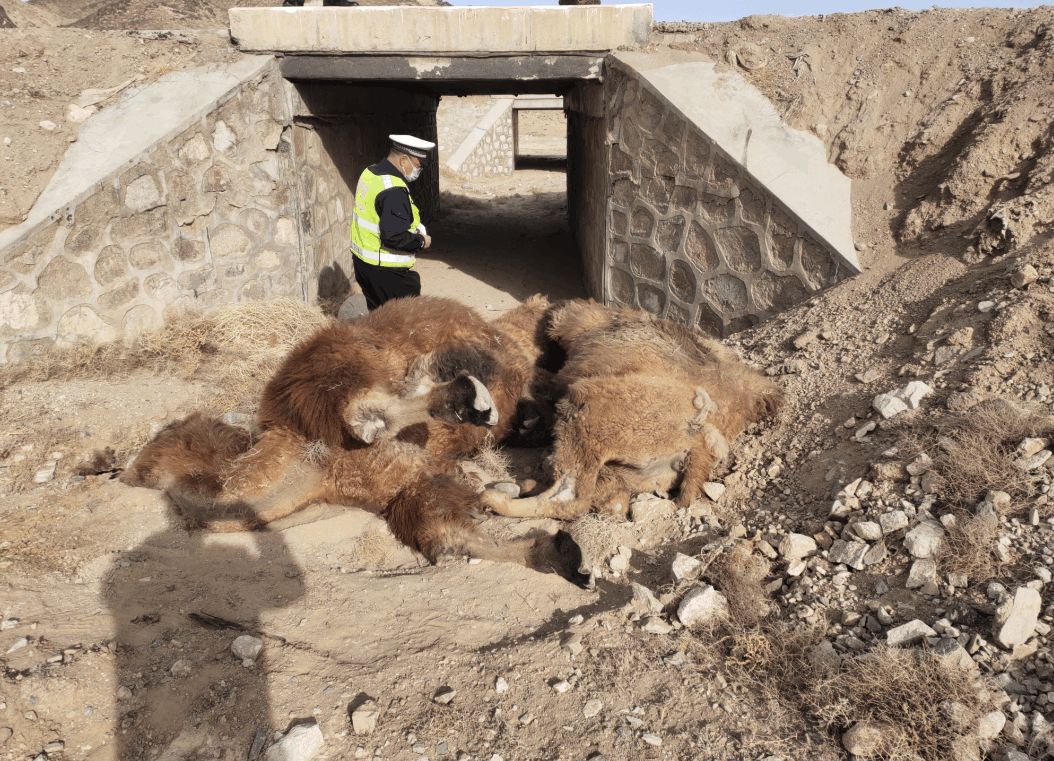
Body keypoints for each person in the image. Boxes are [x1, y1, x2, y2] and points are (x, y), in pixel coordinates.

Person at [350, 134, 435, 311]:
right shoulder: (393, 189)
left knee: (378, 322)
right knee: (405, 328)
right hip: (388, 272)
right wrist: (421, 241)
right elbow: (394, 236)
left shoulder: (371, 172)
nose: (419, 170)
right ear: (404, 160)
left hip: (364, 265)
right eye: (418, 165)